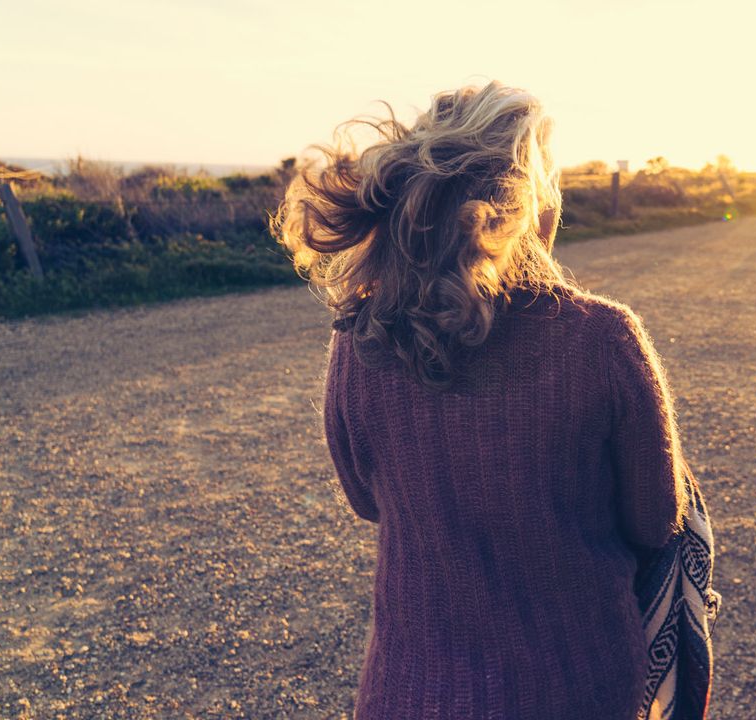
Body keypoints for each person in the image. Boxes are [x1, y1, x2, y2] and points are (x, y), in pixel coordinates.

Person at [275, 81, 703, 720]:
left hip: (408, 692)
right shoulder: (603, 339)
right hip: (577, 687)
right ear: (527, 204)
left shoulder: (365, 333)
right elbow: (653, 519)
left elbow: (368, 502)